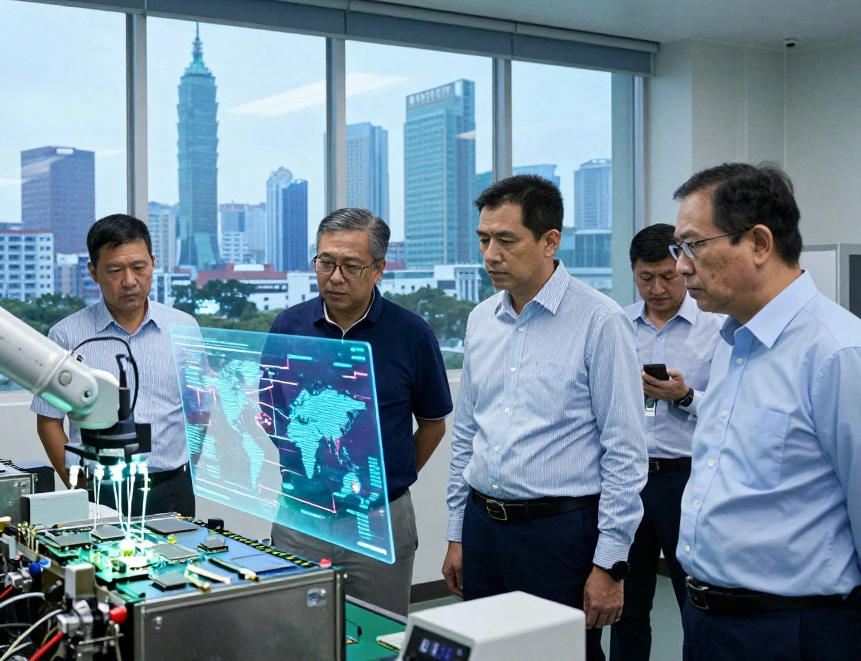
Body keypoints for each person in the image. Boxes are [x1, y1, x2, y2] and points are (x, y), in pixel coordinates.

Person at [670, 163, 861, 661]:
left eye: (693, 245)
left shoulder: (840, 353)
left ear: (759, 243)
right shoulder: (732, 342)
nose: (682, 266)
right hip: (708, 622)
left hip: (796, 632)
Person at [443, 175, 647, 661]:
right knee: (486, 652)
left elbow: (625, 450)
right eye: (484, 239)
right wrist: (457, 532)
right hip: (483, 526)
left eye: (506, 240)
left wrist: (610, 564)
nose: (490, 254)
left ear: (550, 240)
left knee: (558, 655)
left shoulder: (600, 320)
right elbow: (467, 433)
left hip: (559, 536)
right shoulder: (481, 320)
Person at [267, 208, 452, 615]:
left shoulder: (411, 334)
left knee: (379, 636)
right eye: (325, 263)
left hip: (379, 518)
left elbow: (433, 425)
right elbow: (272, 412)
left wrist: (386, 479)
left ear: (379, 268)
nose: (335, 277)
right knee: (293, 636)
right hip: (302, 515)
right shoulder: (288, 327)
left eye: (351, 266)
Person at [31, 214, 203, 517]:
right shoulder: (67, 335)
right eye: (114, 270)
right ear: (94, 272)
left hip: (172, 487)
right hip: (100, 491)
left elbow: (199, 410)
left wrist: (187, 471)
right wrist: (77, 486)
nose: (129, 281)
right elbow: (49, 420)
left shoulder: (184, 327)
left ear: (153, 262)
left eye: (139, 267)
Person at [610, 223, 725, 661]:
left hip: (688, 480)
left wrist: (686, 397)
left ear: (682, 268)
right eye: (645, 277)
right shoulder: (616, 325)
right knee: (625, 602)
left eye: (667, 276)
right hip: (628, 480)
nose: (656, 289)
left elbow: (735, 409)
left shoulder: (717, 328)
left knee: (694, 598)